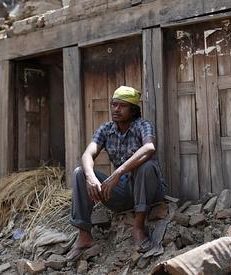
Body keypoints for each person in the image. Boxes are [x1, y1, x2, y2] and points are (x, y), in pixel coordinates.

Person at [66, 86, 166, 261]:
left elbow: (149, 147)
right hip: (122, 193)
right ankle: (84, 236)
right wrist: (90, 177)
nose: (116, 109)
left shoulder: (142, 125)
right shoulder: (106, 129)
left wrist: (118, 172)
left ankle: (138, 226)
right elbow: (88, 154)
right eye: (114, 104)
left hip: (148, 190)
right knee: (80, 173)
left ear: (133, 109)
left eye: (122, 106)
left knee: (146, 166)